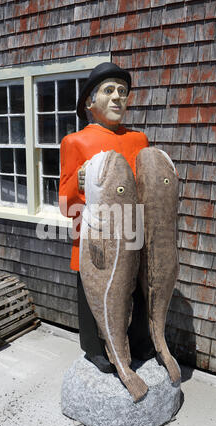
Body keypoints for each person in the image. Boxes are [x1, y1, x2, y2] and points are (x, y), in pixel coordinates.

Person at [59, 62, 154, 373]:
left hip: (131, 230)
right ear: (90, 101)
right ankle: (94, 347)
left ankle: (140, 340)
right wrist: (79, 183)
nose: (117, 98)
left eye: (122, 92)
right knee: (92, 290)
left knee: (138, 288)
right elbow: (64, 201)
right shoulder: (76, 142)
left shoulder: (139, 140)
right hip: (93, 234)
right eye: (109, 90)